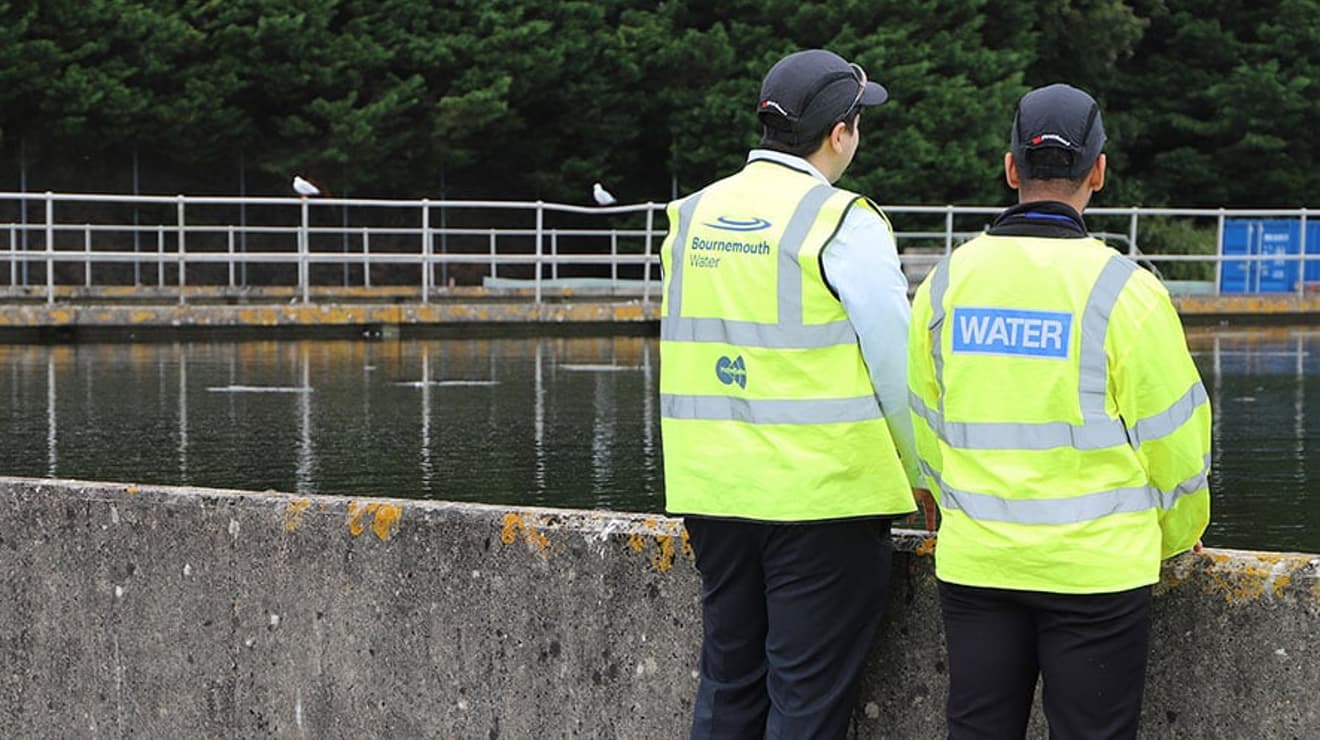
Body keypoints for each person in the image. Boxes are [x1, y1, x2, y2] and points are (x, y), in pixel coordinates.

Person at [907, 83, 1211, 739]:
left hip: (977, 562)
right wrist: (1179, 532)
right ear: (1098, 171)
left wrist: (947, 505)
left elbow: (923, 425)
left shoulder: (946, 283)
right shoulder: (1126, 291)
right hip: (1097, 571)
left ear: (1011, 168)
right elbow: (1176, 443)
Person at [658, 49, 930, 740]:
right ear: (841, 132)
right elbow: (896, 370)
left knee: (729, 686)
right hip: (822, 502)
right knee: (805, 703)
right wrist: (925, 478)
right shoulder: (842, 221)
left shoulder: (691, 216)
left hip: (713, 491)